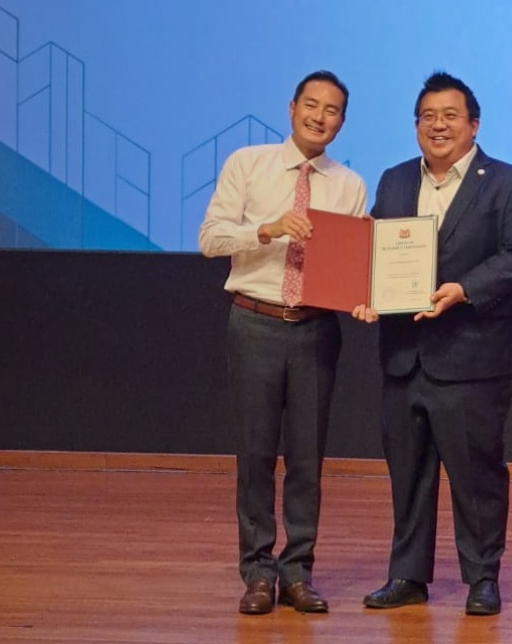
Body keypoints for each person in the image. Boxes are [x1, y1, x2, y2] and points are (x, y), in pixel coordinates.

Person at [353, 71, 512, 617]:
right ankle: (407, 575)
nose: (438, 125)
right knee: (407, 474)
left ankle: (482, 577)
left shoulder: (509, 183)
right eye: (428, 116)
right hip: (402, 355)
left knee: (477, 475)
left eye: (450, 115)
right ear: (416, 125)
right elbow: (374, 251)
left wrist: (463, 289)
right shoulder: (393, 180)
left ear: (473, 125)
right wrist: (365, 294)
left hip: (471, 356)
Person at [199, 71, 366, 616]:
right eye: (311, 105)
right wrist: (267, 230)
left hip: (316, 327)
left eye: (332, 110)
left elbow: (353, 263)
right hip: (256, 321)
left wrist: (363, 295)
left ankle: (297, 573)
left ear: (342, 122)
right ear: (292, 108)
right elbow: (210, 238)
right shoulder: (248, 164)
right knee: (254, 454)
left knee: (307, 457)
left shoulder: (349, 184)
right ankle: (257, 573)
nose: (320, 117)